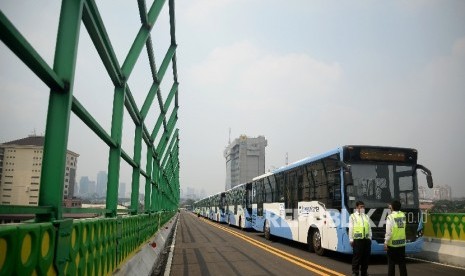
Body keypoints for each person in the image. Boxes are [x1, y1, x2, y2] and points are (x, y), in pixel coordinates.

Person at [384, 200, 407, 276]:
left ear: (392, 207)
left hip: (392, 244)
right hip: (402, 243)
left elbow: (388, 232)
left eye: (391, 206)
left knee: (391, 264)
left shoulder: (390, 217)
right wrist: (392, 207)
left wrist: (386, 242)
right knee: (402, 264)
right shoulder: (403, 215)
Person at [349, 201, 372, 276]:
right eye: (361, 207)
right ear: (356, 207)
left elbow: (369, 228)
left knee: (366, 257)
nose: (362, 208)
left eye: (363, 207)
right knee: (357, 257)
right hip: (358, 240)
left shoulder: (366, 216)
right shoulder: (352, 216)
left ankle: (364, 272)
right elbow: (351, 228)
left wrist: (370, 238)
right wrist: (351, 239)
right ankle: (355, 272)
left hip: (366, 240)